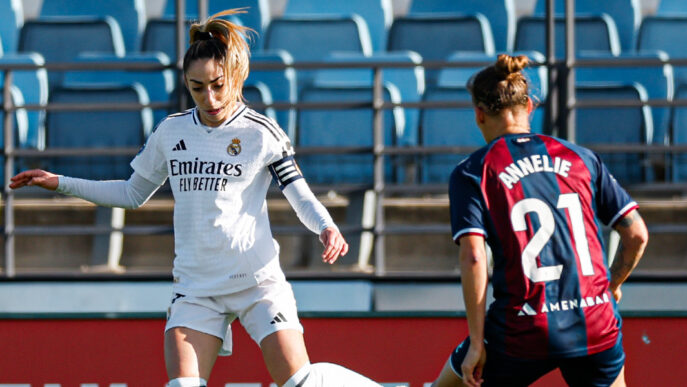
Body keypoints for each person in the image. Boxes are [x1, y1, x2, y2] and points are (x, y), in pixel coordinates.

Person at [10, 9, 380, 387]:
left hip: (256, 283)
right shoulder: (171, 132)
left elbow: (297, 193)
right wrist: (61, 182)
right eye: (197, 87)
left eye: (218, 84)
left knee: (300, 381)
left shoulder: (261, 132)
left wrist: (327, 226)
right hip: (196, 289)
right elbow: (132, 193)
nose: (210, 96)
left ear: (235, 76)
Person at [432, 54, 649, 387]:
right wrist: (611, 286)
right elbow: (636, 233)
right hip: (595, 322)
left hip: (521, 330)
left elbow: (474, 256)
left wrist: (477, 343)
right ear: (531, 106)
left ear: (478, 114)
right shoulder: (581, 157)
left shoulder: (473, 171)